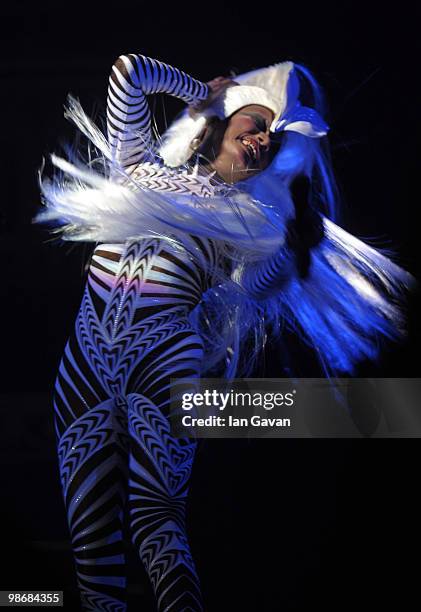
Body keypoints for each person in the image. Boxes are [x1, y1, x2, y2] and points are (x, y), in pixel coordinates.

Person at [35, 53, 414, 611]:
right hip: (82, 364)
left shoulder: (249, 221)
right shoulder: (136, 167)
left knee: (156, 523)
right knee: (91, 554)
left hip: (162, 358)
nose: (263, 140)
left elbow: (263, 283)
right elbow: (128, 71)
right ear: (217, 126)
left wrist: (293, 233)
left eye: (272, 140)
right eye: (255, 125)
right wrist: (200, 93)